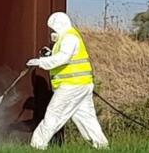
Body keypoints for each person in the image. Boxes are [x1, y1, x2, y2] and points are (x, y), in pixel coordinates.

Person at [26, 12, 109, 150]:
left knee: (54, 114)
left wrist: (40, 62)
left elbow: (63, 58)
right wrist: (50, 54)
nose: (52, 32)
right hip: (81, 85)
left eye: (53, 29)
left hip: (71, 86)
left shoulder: (69, 37)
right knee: (86, 119)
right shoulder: (67, 37)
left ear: (59, 25)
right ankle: (101, 146)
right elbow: (62, 56)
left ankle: (37, 146)